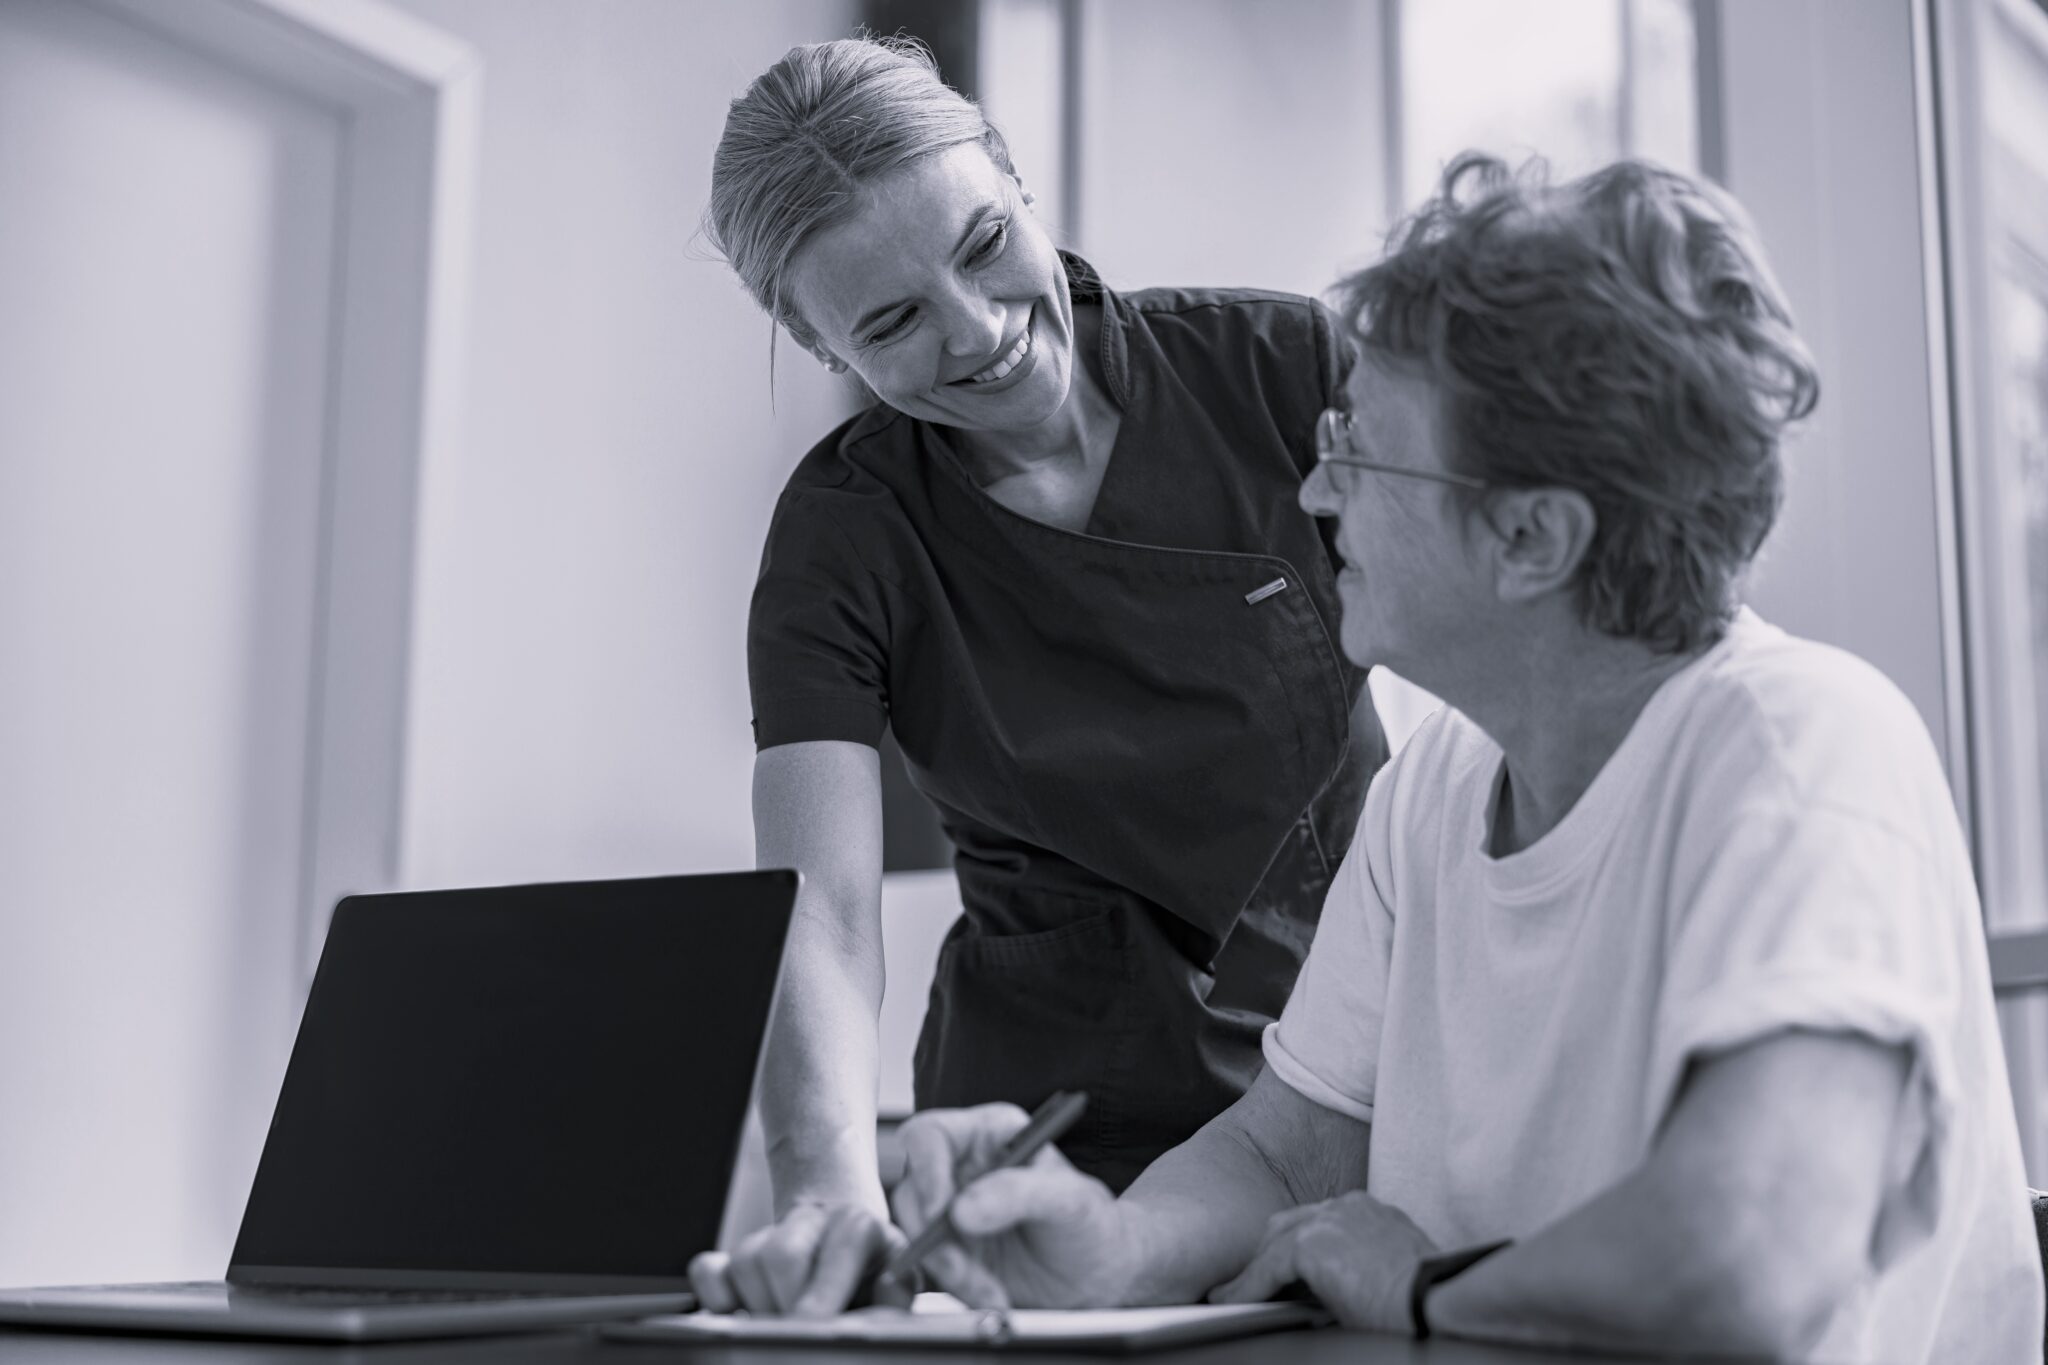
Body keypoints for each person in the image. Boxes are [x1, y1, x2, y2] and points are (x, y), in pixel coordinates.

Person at [886, 154, 2046, 1361]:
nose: (1317, 489)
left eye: (1362, 448)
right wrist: (1110, 1251)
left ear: (1529, 535)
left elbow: (1746, 1264)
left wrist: (1425, 1286)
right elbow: (1285, 1144)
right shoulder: (1434, 791)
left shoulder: (1798, 750)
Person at [685, 37, 1387, 1317]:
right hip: (1050, 1136)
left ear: (1011, 176)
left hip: (1346, 1089)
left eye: (981, 244)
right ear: (814, 336)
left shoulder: (1280, 372)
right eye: (890, 321)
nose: (981, 334)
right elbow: (821, 914)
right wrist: (826, 1191)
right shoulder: (846, 533)